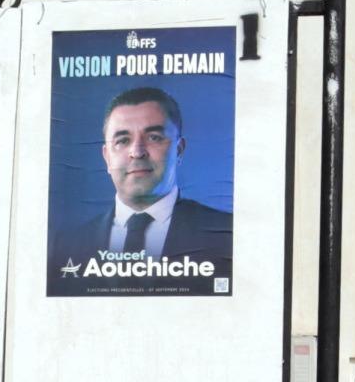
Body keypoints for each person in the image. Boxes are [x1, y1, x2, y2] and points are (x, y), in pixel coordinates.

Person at [46, 85, 235, 291]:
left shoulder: (228, 234)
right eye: (122, 140)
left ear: (179, 151)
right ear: (107, 157)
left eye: (154, 137)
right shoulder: (65, 245)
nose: (137, 152)